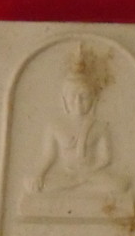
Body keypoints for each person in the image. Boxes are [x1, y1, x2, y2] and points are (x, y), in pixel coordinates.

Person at [27, 57, 128, 194]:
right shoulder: (55, 126)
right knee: (32, 184)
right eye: (72, 96)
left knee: (120, 185)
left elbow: (105, 158)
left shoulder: (100, 127)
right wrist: (38, 173)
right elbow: (49, 155)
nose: (78, 102)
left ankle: (76, 187)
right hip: (66, 174)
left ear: (94, 99)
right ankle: (80, 187)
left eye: (84, 96)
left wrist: (88, 171)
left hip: (91, 173)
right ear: (64, 100)